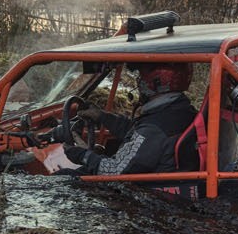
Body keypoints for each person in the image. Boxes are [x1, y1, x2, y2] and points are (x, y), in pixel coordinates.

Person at [61, 63, 198, 175]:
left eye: (142, 77)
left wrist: (83, 155)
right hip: (156, 179)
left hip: (141, 191)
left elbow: (115, 171)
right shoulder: (178, 111)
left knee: (64, 176)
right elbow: (137, 133)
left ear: (156, 82)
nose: (139, 82)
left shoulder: (154, 128)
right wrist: (103, 117)